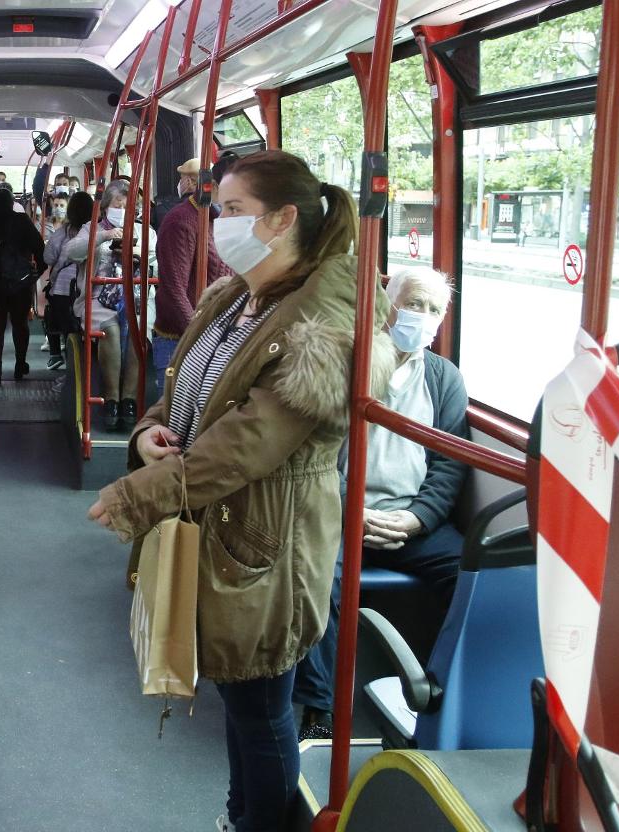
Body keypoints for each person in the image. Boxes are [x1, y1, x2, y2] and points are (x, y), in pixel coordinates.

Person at [87, 150, 394, 832]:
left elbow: (250, 440)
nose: (217, 223)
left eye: (232, 210)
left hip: (268, 539)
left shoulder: (320, 322)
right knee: (239, 693)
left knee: (260, 708)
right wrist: (149, 433)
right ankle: (239, 817)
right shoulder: (235, 299)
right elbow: (184, 390)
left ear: (281, 220)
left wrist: (138, 495)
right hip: (218, 523)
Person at [292, 265, 470, 741]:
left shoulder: (444, 379)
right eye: (413, 304)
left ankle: (437, 697)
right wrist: (349, 508)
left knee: (470, 573)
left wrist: (416, 519)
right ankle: (321, 706)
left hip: (409, 518)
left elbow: (449, 464)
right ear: (389, 306)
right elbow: (316, 452)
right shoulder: (350, 364)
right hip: (338, 511)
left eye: (433, 309)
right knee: (315, 573)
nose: (422, 316)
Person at [71, 179, 155, 431]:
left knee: (138, 329)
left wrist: (138, 256)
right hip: (99, 295)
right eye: (118, 204)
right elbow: (72, 252)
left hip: (137, 296)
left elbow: (158, 261)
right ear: (107, 206)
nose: (123, 209)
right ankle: (111, 399)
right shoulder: (92, 229)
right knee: (110, 329)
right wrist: (103, 237)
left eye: (129, 205)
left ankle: (129, 399)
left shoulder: (146, 232)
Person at [153, 158, 231, 374]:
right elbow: (175, 291)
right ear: (212, 186)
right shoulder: (181, 221)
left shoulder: (224, 221)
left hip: (216, 337)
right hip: (182, 340)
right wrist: (204, 339)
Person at [0, 188, 45, 387]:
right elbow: (40, 248)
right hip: (19, 282)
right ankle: (20, 364)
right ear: (11, 203)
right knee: (20, 323)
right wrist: (37, 272)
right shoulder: (22, 221)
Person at [42, 190, 92, 371]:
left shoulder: (63, 233)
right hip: (89, 286)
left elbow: (48, 257)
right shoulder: (96, 231)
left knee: (66, 326)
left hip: (63, 286)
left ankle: (59, 356)